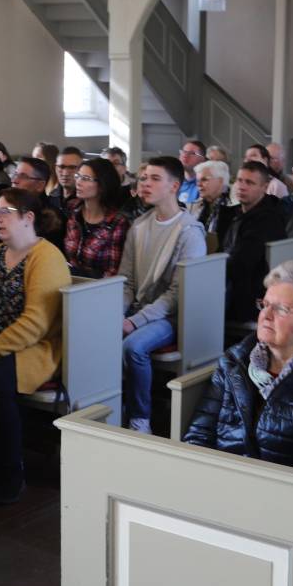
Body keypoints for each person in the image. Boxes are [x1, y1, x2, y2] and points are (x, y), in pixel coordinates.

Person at [0, 188, 71, 503]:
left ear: (28, 217)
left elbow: (36, 323)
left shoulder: (46, 257)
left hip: (35, 348)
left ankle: (11, 471)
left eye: (5, 212)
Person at [183, 261, 293, 467]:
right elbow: (198, 436)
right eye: (265, 305)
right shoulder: (234, 362)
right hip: (219, 477)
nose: (266, 315)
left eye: (281, 309)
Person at [119, 156, 208, 433]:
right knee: (97, 335)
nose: (145, 184)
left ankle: (140, 418)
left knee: (133, 347)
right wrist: (117, 313)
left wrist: (134, 321)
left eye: (155, 179)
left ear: (175, 186)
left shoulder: (189, 231)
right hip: (139, 308)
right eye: (144, 178)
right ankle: (109, 411)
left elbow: (177, 294)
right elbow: (127, 281)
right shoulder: (139, 226)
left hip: (171, 316)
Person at [216, 161, 288, 328]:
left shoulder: (269, 220)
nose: (241, 186)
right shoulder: (232, 213)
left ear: (264, 187)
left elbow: (242, 263)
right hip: (225, 282)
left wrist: (211, 270)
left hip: (248, 294)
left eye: (249, 182)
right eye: (239, 180)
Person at [63, 157, 132, 279]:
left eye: (85, 178)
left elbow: (113, 272)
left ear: (102, 185)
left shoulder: (117, 222)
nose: (78, 182)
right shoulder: (73, 209)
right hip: (69, 281)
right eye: (78, 176)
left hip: (99, 286)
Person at [9, 156, 66, 246]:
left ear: (40, 185)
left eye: (23, 176)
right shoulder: (8, 207)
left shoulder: (51, 219)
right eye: (15, 174)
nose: (14, 180)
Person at [189, 159, 229, 235]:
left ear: (220, 181)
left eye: (204, 180)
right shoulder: (193, 207)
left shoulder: (233, 209)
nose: (199, 184)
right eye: (197, 180)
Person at [176, 139, 205, 207]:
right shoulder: (173, 182)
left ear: (202, 159)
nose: (185, 155)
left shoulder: (204, 185)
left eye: (192, 153)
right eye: (184, 152)